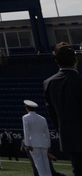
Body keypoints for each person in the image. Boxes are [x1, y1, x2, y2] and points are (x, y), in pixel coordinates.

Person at [44, 42, 82, 176]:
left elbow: (52, 114)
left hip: (69, 137)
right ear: (75, 60)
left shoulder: (49, 83)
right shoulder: (78, 80)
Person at [22, 100, 51, 176]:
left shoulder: (25, 117)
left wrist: (27, 144)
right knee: (46, 163)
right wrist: (48, 144)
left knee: (38, 164)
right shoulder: (42, 118)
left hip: (33, 143)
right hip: (43, 142)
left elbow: (27, 132)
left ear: (27, 108)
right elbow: (47, 132)